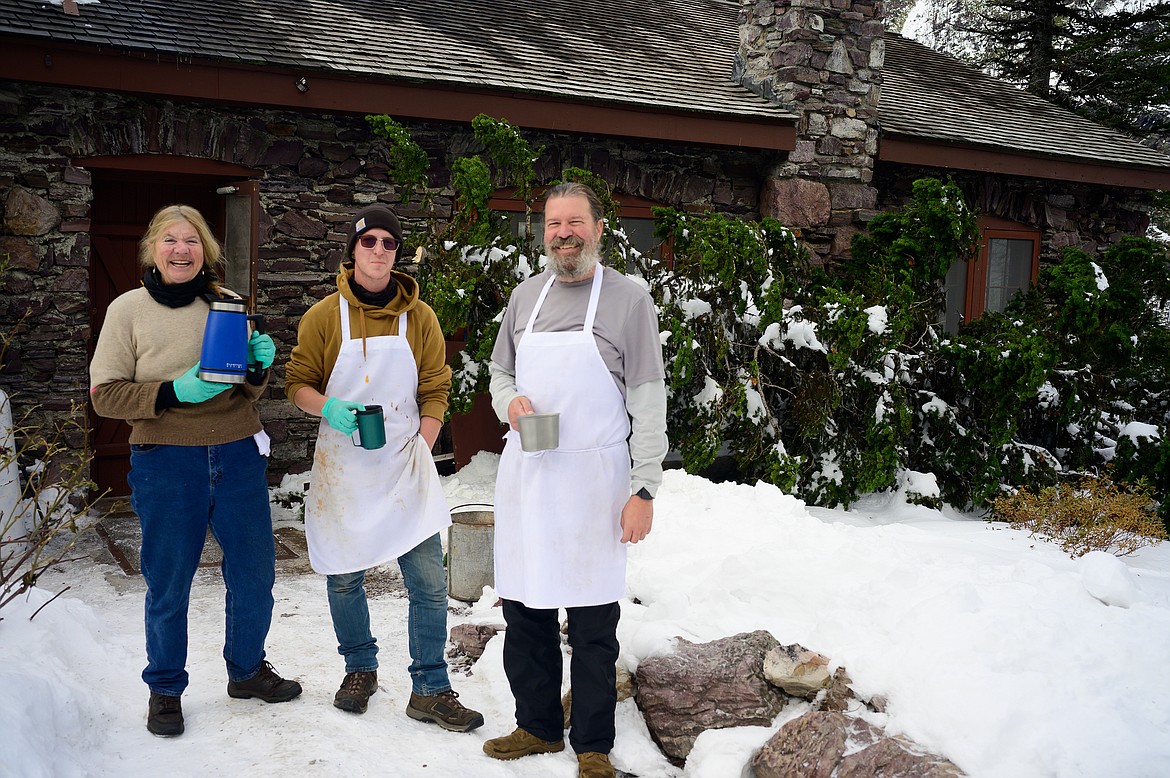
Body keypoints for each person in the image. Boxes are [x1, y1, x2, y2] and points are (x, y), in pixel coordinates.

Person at [89, 204, 302, 738]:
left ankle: (247, 670)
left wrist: (257, 365)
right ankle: (165, 688)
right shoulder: (127, 310)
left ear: (205, 250)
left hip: (236, 452)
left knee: (254, 573)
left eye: (191, 241)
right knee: (169, 579)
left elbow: (246, 385)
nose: (181, 249)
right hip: (166, 460)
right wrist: (169, 392)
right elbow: (104, 395)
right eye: (170, 240)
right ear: (153, 250)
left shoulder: (228, 305)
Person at [482, 182, 668, 778]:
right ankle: (536, 725)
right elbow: (498, 374)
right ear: (543, 232)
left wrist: (644, 489)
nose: (564, 233)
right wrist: (510, 404)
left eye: (575, 222)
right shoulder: (524, 297)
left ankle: (592, 744)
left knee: (592, 622)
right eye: (553, 223)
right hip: (530, 481)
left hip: (595, 482)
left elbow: (648, 400)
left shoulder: (628, 300)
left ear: (599, 227)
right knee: (525, 611)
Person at [284, 203, 484, 731]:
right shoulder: (325, 316)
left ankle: (431, 686)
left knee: (427, 582)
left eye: (388, 243)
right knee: (345, 578)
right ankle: (359, 667)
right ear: (352, 251)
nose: (378, 250)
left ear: (398, 254)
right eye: (368, 241)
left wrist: (426, 436)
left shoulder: (420, 317)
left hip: (403, 466)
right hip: (343, 470)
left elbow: (437, 383)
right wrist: (325, 405)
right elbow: (296, 382)